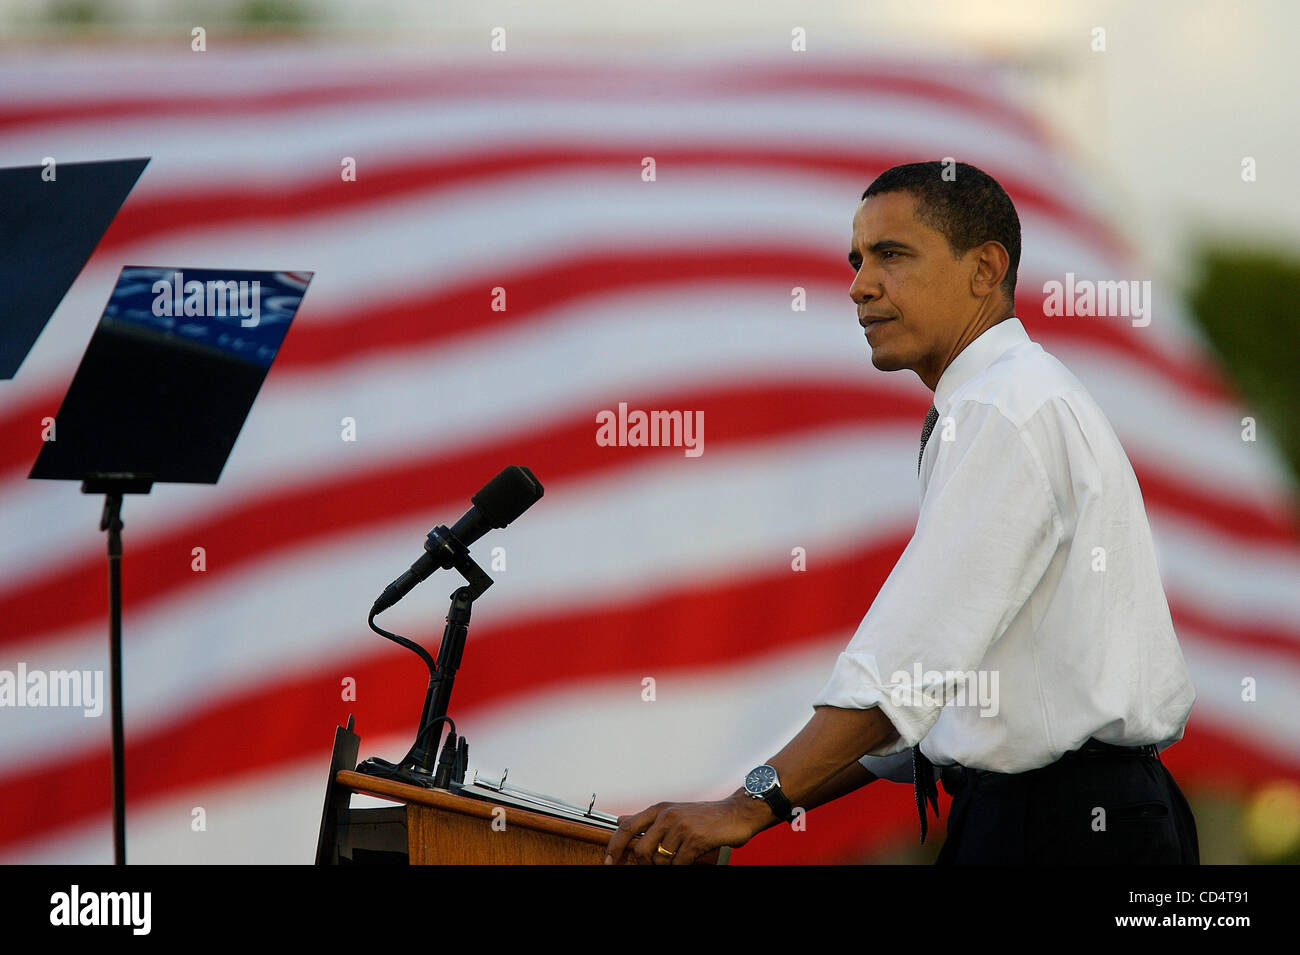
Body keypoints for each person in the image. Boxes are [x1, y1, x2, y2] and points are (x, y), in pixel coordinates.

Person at [603, 160, 1200, 866]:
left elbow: (905, 669)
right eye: (857, 261)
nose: (859, 285)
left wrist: (744, 805)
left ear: (985, 268)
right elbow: (917, 708)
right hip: (1060, 815)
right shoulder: (999, 401)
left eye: (892, 254)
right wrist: (762, 794)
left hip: (1064, 826)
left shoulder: (1003, 410)